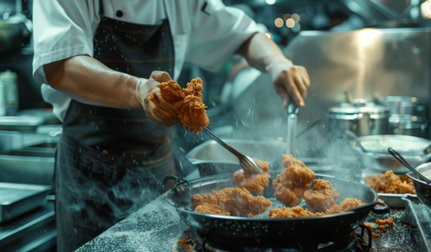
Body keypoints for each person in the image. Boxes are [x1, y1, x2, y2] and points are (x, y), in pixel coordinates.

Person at [32, 0, 310, 251]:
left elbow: (242, 35)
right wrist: (138, 90)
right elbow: (59, 64)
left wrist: (277, 62)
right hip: (90, 171)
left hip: (159, 165)